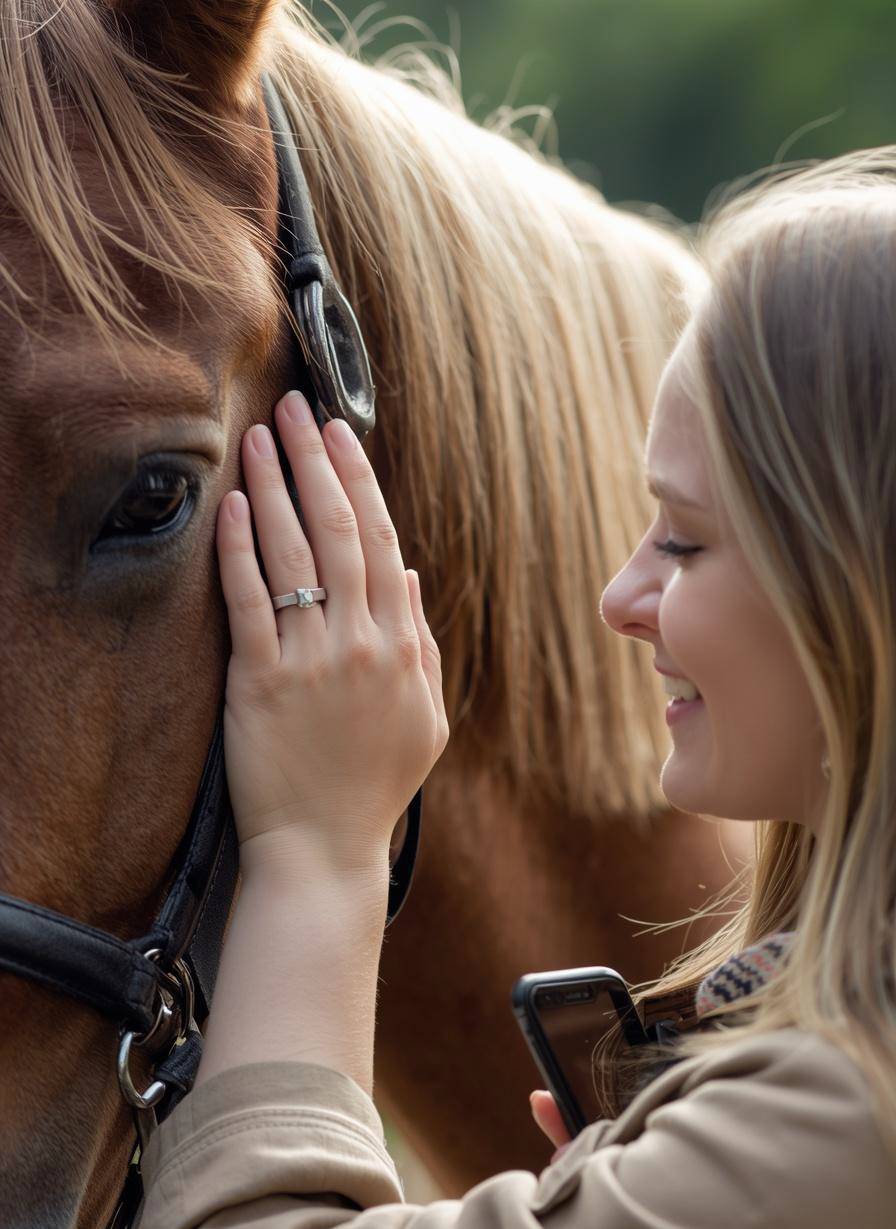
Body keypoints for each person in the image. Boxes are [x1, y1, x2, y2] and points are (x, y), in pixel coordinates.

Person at [140, 151, 896, 1227]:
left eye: (684, 539)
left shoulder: (847, 1107)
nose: (619, 597)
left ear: (861, 590)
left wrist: (319, 852)